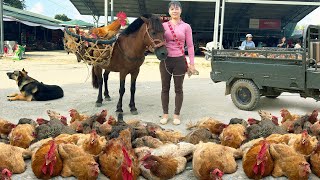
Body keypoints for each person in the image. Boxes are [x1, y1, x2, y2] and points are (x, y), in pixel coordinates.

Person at [160, 0, 196, 125]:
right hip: (165, 61)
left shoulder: (186, 26)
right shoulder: (163, 26)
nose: (174, 11)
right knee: (165, 88)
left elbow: (190, 46)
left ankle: (176, 114)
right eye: (172, 9)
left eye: (177, 8)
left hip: (180, 61)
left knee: (178, 89)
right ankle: (165, 114)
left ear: (181, 10)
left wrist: (192, 63)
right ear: (169, 11)